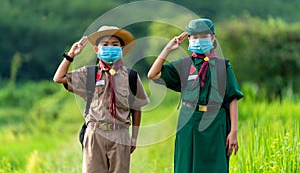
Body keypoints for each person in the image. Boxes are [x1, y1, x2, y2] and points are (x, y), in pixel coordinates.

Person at [148, 18, 244, 173]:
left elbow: (232, 98)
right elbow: (153, 74)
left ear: (213, 38)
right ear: (189, 39)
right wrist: (167, 49)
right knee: (186, 166)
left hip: (216, 122)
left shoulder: (223, 66)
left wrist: (233, 132)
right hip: (189, 121)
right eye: (194, 37)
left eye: (204, 36)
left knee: (216, 167)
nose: (199, 40)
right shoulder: (183, 65)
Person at [53, 26, 150, 173]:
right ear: (97, 50)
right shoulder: (89, 73)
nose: (110, 48)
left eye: (115, 45)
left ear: (122, 49)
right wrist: (71, 55)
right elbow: (59, 78)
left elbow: (137, 108)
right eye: (105, 45)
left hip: (120, 134)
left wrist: (134, 137)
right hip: (95, 133)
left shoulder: (131, 76)